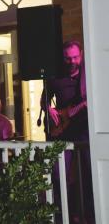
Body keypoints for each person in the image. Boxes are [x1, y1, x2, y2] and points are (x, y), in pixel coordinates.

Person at [41, 40, 94, 223]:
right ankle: (64, 213)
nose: (72, 61)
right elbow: (44, 99)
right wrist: (49, 109)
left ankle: (90, 214)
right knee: (58, 174)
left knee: (90, 172)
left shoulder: (89, 76)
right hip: (64, 130)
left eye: (75, 57)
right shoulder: (56, 77)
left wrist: (86, 104)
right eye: (68, 58)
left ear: (81, 56)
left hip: (85, 130)